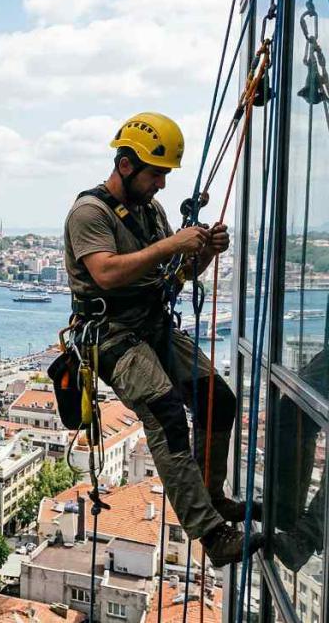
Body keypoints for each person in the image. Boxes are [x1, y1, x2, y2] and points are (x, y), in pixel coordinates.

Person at [63, 112, 261, 567]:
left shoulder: (150, 212)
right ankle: (213, 537)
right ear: (128, 165)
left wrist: (203, 252)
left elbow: (177, 274)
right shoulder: (89, 213)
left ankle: (213, 497)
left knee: (218, 398)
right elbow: (107, 273)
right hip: (111, 336)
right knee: (167, 414)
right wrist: (174, 244)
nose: (162, 186)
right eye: (157, 174)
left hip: (152, 325)